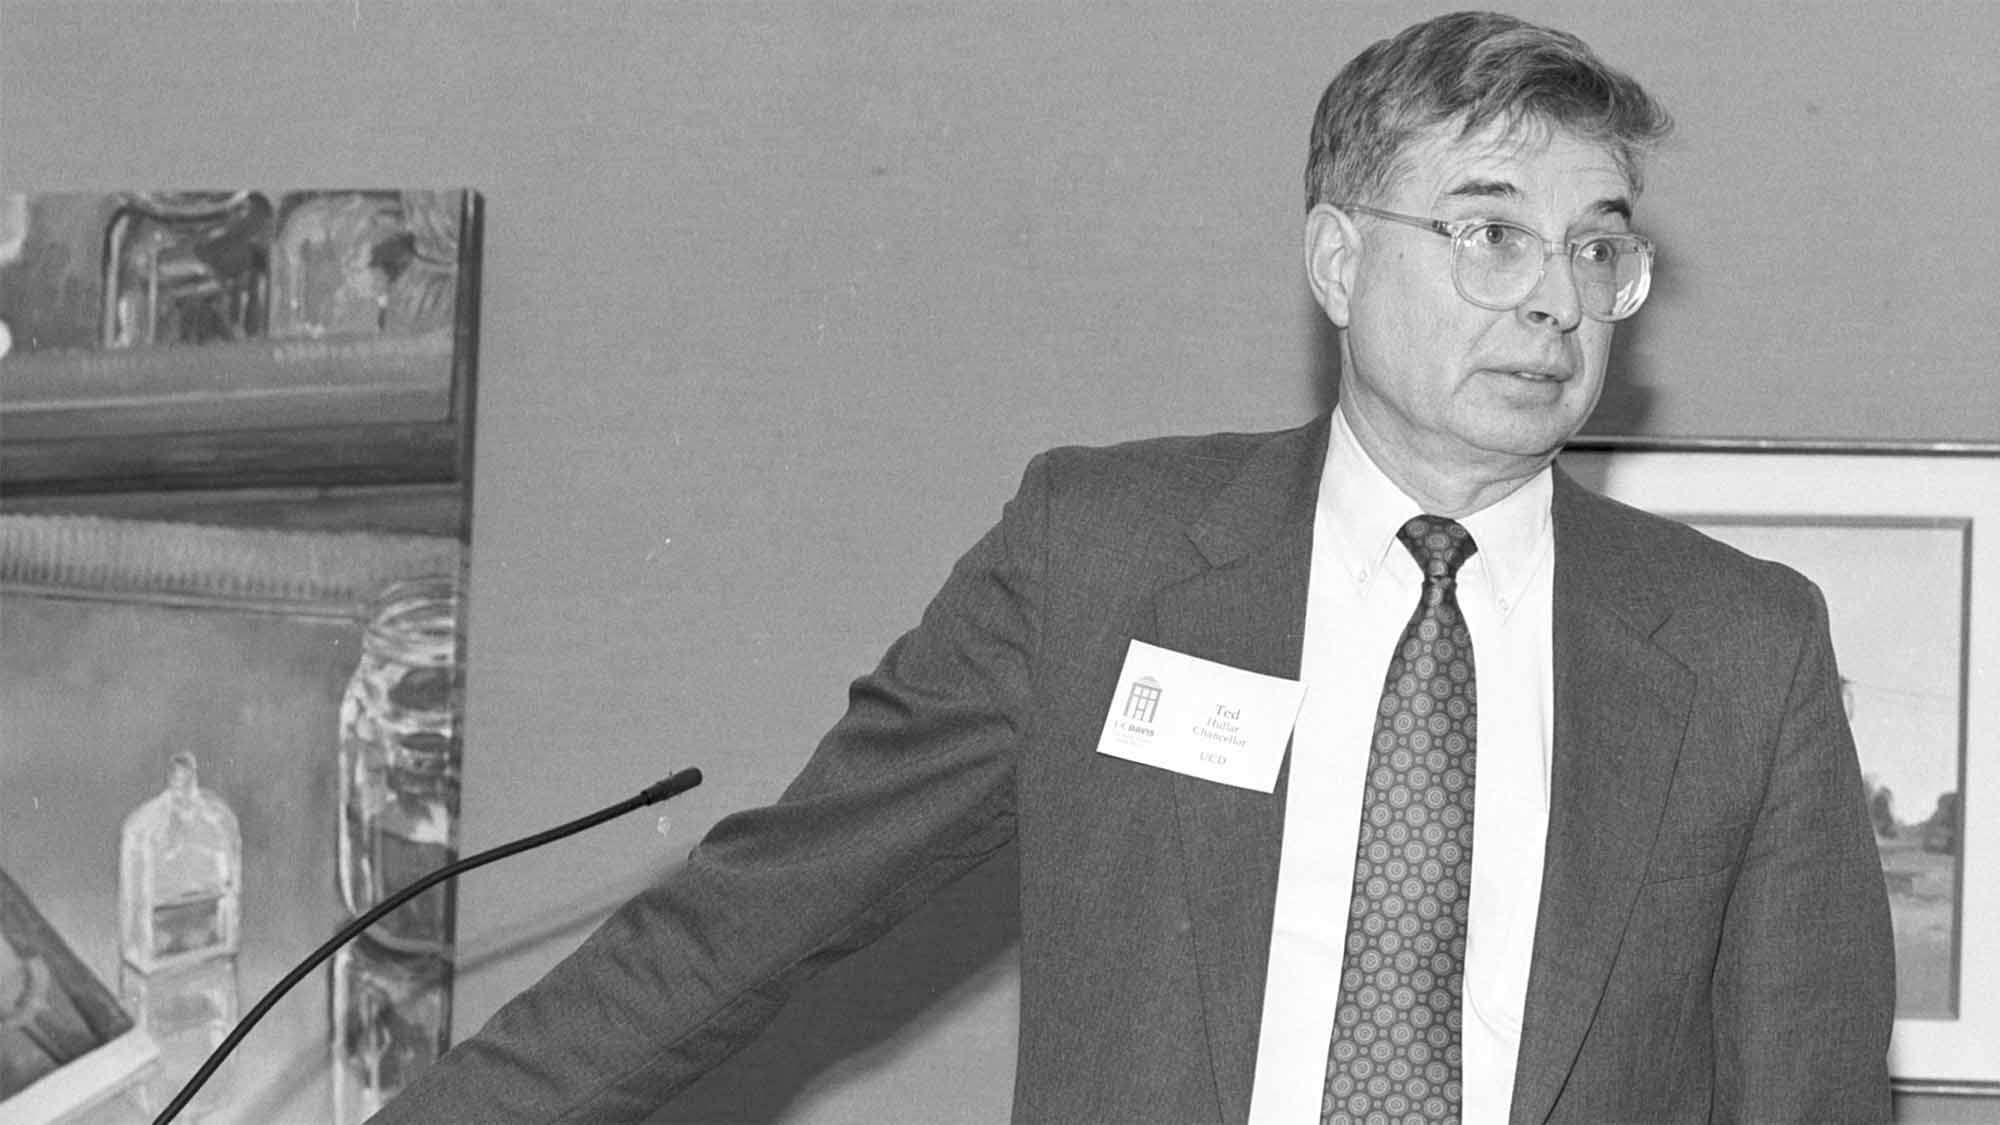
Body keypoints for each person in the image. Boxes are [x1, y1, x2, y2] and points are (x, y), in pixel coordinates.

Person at [375, 12, 1894, 1123]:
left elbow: (1807, 1091)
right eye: (1491, 233)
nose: (1556, 298)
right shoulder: (1101, 557)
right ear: (1339, 260)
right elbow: (760, 914)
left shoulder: (1740, 646)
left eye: (1595, 249)